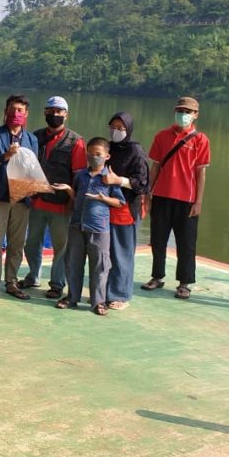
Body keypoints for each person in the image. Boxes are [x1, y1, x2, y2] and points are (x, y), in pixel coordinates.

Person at [142, 96, 210, 300]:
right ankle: (157, 276)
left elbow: (201, 173)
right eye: (180, 110)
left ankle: (185, 282)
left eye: (188, 112)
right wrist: (148, 192)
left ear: (196, 115)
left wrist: (198, 201)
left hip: (187, 199)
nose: (183, 115)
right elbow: (154, 166)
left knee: (186, 243)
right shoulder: (162, 136)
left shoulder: (200, 139)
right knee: (158, 239)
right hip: (162, 195)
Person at [20, 96, 86, 300]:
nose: (55, 115)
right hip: (37, 201)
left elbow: (79, 176)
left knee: (61, 246)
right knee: (31, 242)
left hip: (61, 205)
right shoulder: (35, 137)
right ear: (45, 113)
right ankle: (32, 276)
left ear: (66, 114)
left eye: (59, 112)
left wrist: (73, 201)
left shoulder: (76, 142)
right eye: (51, 111)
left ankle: (57, 284)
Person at [53, 137, 125, 315]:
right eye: (91, 154)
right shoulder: (81, 176)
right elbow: (77, 199)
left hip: (99, 228)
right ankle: (72, 297)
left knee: (100, 266)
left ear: (107, 156)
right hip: (77, 225)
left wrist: (103, 199)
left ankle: (98, 302)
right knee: (73, 263)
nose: (94, 157)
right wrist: (69, 190)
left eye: (98, 154)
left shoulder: (109, 178)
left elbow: (120, 202)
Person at [0, 95, 39, 300]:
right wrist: (4, 157)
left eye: (20, 111)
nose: (16, 114)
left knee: (17, 244)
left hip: (21, 200)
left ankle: (12, 282)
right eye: (13, 110)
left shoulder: (31, 139)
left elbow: (34, 170)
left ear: (26, 114)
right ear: (5, 111)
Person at [101, 112, 150, 310]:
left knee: (122, 252)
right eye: (113, 127)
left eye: (120, 128)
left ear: (128, 129)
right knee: (106, 252)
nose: (116, 131)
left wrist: (119, 180)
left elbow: (143, 184)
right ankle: (104, 291)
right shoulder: (108, 148)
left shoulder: (135, 151)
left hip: (127, 208)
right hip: (106, 206)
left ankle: (120, 295)